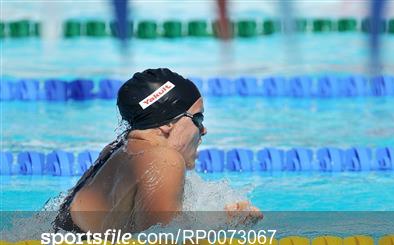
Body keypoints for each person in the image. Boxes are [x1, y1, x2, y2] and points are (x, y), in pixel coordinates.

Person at [54, 68, 261, 233]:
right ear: (167, 123)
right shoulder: (163, 160)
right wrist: (226, 227)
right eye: (198, 119)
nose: (203, 130)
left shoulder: (115, 150)